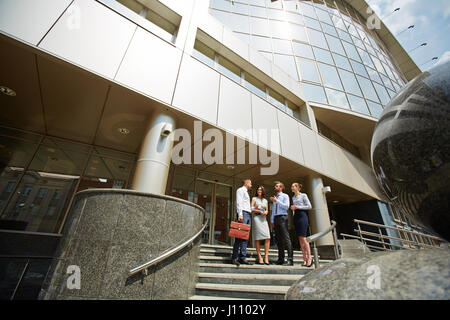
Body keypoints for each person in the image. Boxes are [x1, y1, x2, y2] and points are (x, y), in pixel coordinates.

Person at [270, 181, 294, 266]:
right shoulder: (275, 197)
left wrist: (277, 201)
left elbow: (286, 206)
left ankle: (290, 259)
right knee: (278, 239)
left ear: (281, 188)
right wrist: (272, 220)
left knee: (286, 238)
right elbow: (273, 210)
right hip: (276, 218)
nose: (275, 187)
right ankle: (281, 259)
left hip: (283, 217)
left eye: (277, 186)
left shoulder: (285, 196)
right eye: (275, 186)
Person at [290, 183, 313, 267]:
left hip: (302, 216)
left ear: (298, 188)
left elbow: (309, 206)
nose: (292, 187)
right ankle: (304, 259)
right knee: (300, 239)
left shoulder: (303, 195)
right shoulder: (293, 197)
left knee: (304, 238)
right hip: (296, 216)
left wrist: (298, 207)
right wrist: (294, 209)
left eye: (293, 186)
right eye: (291, 186)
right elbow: (294, 208)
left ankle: (309, 258)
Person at [231, 179, 252, 266]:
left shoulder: (246, 192)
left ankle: (242, 257)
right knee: (239, 236)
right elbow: (239, 203)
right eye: (250, 183)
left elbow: (246, 205)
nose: (251, 185)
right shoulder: (240, 190)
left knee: (245, 237)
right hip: (243, 213)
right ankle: (234, 257)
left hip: (247, 213)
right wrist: (240, 214)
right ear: (246, 183)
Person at [251, 186, 271, 265]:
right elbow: (251, 209)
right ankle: (259, 256)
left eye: (261, 190)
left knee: (267, 237)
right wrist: (259, 211)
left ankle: (266, 256)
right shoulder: (254, 199)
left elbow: (267, 210)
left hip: (264, 219)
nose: (259, 190)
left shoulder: (265, 200)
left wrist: (265, 212)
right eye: (258, 189)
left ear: (263, 191)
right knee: (257, 237)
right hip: (257, 218)